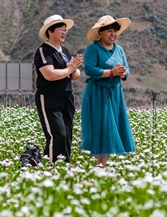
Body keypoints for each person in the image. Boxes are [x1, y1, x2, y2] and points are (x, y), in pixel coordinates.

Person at [81, 15, 136, 165]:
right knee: (100, 127)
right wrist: (111, 72)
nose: (113, 34)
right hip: (98, 93)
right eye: (109, 31)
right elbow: (90, 70)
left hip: (115, 93)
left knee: (113, 128)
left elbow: (127, 68)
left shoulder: (119, 50)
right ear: (100, 32)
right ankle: (97, 165)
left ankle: (105, 165)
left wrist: (123, 73)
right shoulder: (93, 49)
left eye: (115, 31)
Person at [33, 14, 82, 164]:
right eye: (60, 29)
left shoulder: (64, 51)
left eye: (65, 30)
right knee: (57, 135)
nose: (64, 33)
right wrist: (69, 69)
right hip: (49, 97)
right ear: (50, 31)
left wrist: (74, 68)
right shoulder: (44, 51)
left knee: (67, 135)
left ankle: (63, 167)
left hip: (66, 97)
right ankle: (52, 168)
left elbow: (75, 76)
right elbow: (50, 75)